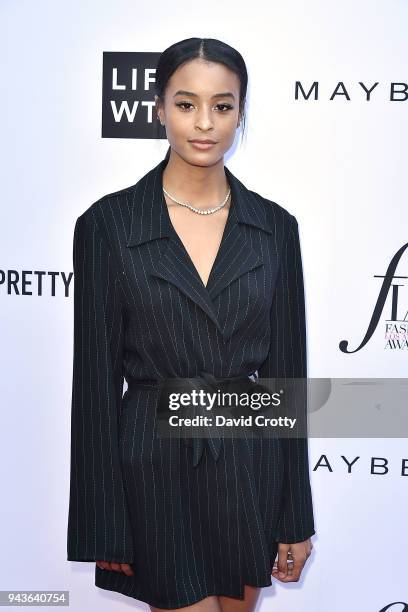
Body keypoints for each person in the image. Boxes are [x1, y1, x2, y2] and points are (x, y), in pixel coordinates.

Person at [67, 37, 315, 612]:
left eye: (223, 106)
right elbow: (95, 386)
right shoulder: (108, 225)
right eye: (186, 103)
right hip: (154, 469)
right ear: (157, 108)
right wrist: (105, 522)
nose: (204, 123)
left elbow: (289, 382)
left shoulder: (276, 227)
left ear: (240, 115)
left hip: (248, 469)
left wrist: (294, 515)